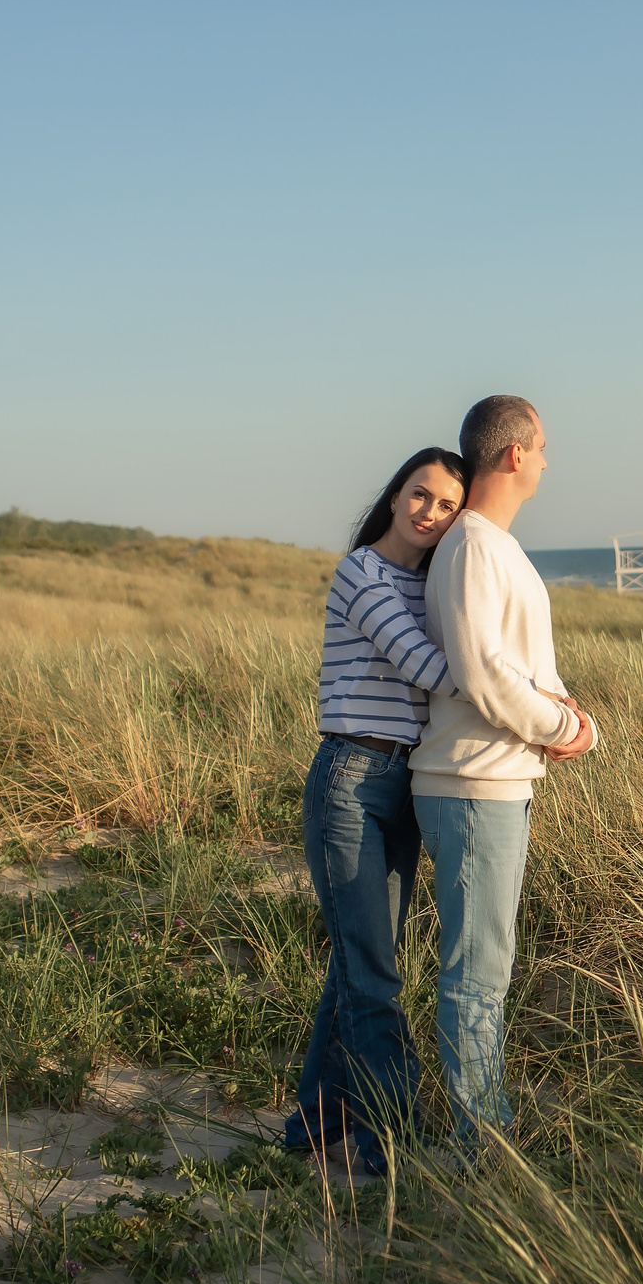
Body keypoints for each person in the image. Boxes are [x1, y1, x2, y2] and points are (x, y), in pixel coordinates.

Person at [411, 395, 597, 1147]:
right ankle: (479, 1138)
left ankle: (484, 1121)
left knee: (489, 963)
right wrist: (561, 725)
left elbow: (513, 667)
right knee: (476, 971)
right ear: (514, 453)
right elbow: (484, 671)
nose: (549, 460)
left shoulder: (490, 546)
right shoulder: (474, 547)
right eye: (544, 446)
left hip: (496, 778)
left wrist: (562, 717)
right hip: (471, 783)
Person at [283, 446, 471, 1174]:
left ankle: (314, 1122)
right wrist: (516, 681)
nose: (429, 511)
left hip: (407, 786)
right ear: (395, 496)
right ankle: (385, 1138)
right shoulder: (362, 571)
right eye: (419, 494)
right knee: (373, 975)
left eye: (446, 504)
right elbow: (426, 668)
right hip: (352, 780)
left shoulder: (428, 584)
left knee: (361, 966)